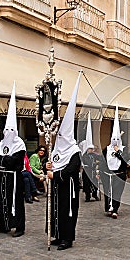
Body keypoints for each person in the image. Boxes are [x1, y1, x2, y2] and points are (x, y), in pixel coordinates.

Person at [46, 73, 82, 250]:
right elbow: (53, 161)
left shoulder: (75, 151)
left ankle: (67, 239)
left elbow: (71, 169)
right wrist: (48, 165)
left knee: (67, 212)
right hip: (57, 185)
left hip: (68, 187)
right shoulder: (56, 148)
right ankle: (57, 235)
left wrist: (56, 174)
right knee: (56, 211)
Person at [0, 85, 26, 237]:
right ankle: (4, 224)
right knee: (2, 200)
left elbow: (14, 161)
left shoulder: (19, 144)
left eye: (12, 130)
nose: (9, 133)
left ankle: (19, 227)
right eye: (7, 130)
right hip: (2, 177)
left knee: (15, 202)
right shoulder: (2, 143)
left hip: (14, 177)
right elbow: (3, 160)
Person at [100, 105, 128, 219]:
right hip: (107, 174)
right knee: (108, 192)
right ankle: (108, 208)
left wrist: (118, 152)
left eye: (117, 140)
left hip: (119, 175)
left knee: (117, 193)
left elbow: (125, 161)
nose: (115, 142)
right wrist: (100, 172)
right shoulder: (106, 149)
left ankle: (115, 209)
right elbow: (102, 161)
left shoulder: (124, 149)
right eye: (114, 140)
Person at [80, 112, 101, 201]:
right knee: (87, 184)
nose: (91, 150)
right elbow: (86, 162)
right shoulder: (84, 155)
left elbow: (99, 159)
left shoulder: (94, 155)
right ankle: (88, 196)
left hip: (93, 171)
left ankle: (95, 195)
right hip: (87, 171)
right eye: (90, 149)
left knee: (95, 184)